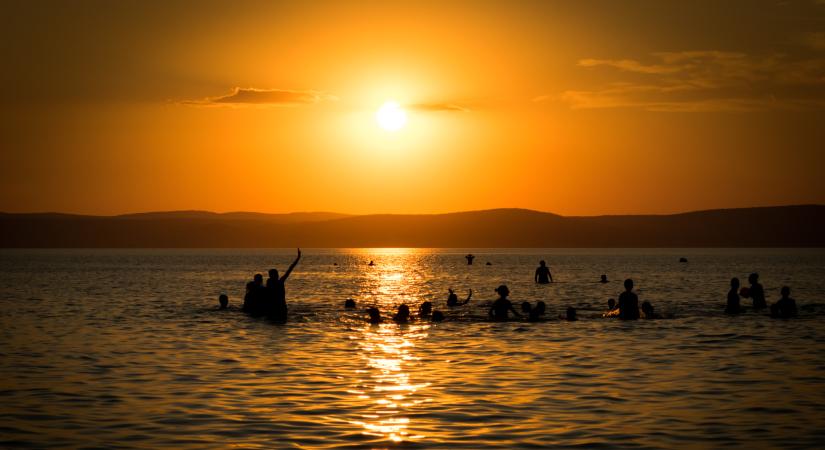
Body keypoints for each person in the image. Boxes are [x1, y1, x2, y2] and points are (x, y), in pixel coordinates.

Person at [265, 248, 302, 322]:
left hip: (278, 308)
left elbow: (290, 269)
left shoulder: (273, 282)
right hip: (276, 308)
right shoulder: (275, 282)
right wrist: (298, 258)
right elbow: (289, 270)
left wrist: (298, 258)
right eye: (275, 274)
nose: (277, 275)